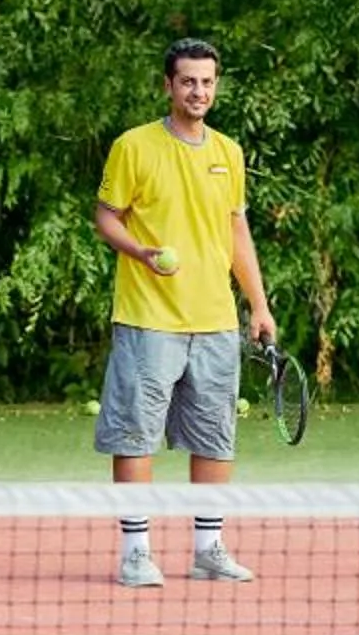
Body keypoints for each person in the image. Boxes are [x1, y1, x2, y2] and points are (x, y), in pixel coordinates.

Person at [91, 38, 275, 587]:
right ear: (168, 85)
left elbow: (236, 231)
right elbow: (106, 216)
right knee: (135, 436)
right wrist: (141, 252)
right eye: (189, 81)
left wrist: (258, 304)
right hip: (148, 320)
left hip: (215, 321)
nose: (199, 91)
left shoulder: (229, 153)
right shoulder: (133, 146)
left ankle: (208, 549)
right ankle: (135, 553)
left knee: (215, 437)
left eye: (208, 82)